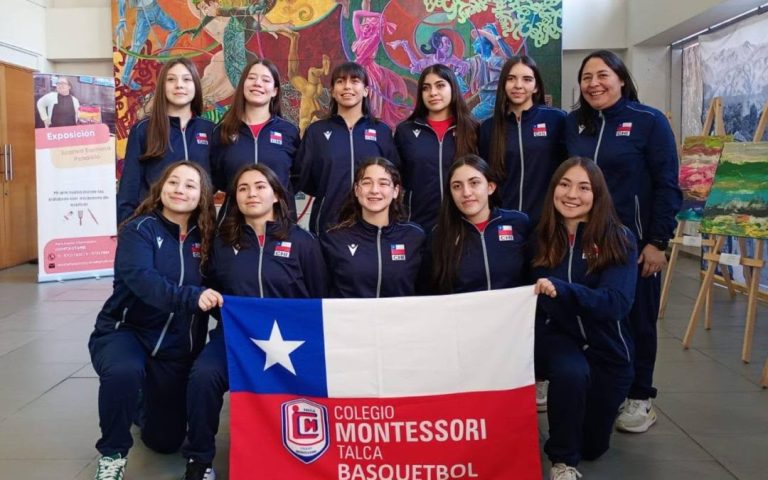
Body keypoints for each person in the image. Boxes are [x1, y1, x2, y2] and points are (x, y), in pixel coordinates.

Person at [181, 164, 326, 480]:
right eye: (243, 188)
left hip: (293, 341)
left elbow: (318, 296)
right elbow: (213, 290)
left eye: (260, 186)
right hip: (235, 338)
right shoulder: (220, 243)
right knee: (203, 376)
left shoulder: (303, 243)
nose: (251, 194)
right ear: (235, 197)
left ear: (276, 194)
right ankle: (199, 461)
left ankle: (302, 451)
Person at [565, 50, 681, 433]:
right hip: (584, 243)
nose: (594, 83)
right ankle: (603, 388)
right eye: (586, 78)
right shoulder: (575, 125)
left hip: (634, 246)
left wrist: (658, 241)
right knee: (593, 317)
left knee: (639, 320)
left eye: (602, 75)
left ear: (621, 78)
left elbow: (667, 184)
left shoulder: (648, 122)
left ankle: (640, 397)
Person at [88, 161, 221, 480]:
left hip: (175, 348)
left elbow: (222, 287)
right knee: (124, 371)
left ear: (201, 195)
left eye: (190, 185)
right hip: (126, 332)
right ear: (160, 188)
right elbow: (143, 281)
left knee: (165, 442)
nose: (180, 189)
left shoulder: (207, 239)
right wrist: (191, 297)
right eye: (173, 182)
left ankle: (138, 403)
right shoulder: (139, 229)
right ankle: (112, 455)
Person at [532, 157, 637, 480]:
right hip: (560, 338)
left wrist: (565, 291)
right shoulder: (540, 235)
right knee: (570, 373)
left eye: (583, 187)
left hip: (607, 347)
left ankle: (585, 419)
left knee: (593, 448)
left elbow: (616, 303)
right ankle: (562, 461)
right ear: (553, 189)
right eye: (564, 184)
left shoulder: (618, 238)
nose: (571, 194)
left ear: (598, 194)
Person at [297, 61, 399, 236]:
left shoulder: (382, 132)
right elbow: (305, 178)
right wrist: (329, 191)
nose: (347, 86)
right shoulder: (316, 132)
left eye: (355, 81)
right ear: (333, 91)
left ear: (366, 90)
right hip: (328, 224)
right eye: (340, 81)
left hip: (373, 227)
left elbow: (394, 175)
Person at [117, 58, 215, 224]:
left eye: (186, 79)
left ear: (195, 86)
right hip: (154, 226)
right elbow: (129, 188)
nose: (179, 85)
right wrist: (127, 228)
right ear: (162, 86)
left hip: (200, 227)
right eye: (171, 79)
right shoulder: (143, 130)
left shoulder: (210, 130)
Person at [479, 55, 567, 226]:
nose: (518, 85)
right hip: (503, 223)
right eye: (511, 79)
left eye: (527, 79)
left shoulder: (557, 120)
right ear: (503, 84)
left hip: (548, 223)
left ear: (536, 87)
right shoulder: (489, 128)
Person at [322, 158, 425, 297]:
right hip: (350, 319)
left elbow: (426, 292)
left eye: (383, 183)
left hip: (400, 318)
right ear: (357, 190)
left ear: (395, 191)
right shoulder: (334, 238)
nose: (374, 190)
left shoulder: (415, 237)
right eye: (367, 183)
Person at [210, 58, 300, 218]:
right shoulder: (222, 131)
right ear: (243, 85)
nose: (258, 83)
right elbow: (217, 178)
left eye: (266, 80)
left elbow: (298, 177)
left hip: (280, 225)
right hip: (233, 225)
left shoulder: (289, 132)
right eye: (251, 78)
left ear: (275, 91)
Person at [429, 154, 529, 294]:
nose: (466, 192)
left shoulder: (519, 223)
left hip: (514, 314)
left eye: (474, 183)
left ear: (490, 187)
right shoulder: (440, 234)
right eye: (457, 186)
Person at [394, 64, 478, 231]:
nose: (433, 93)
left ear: (452, 88)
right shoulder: (406, 131)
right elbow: (395, 178)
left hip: (463, 226)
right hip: (417, 225)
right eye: (426, 88)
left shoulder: (472, 129)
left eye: (440, 85)